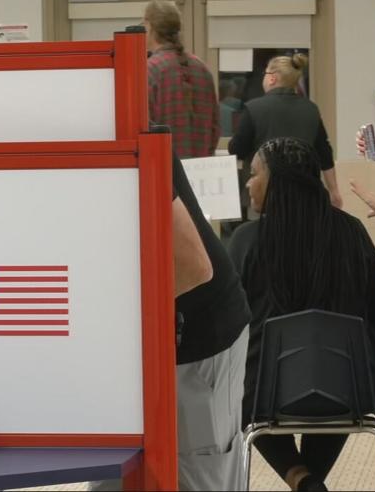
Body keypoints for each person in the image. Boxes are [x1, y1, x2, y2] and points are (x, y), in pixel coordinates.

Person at [92, 141, 251, 491]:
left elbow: (194, 267)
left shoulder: (133, 141)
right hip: (140, 333)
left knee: (198, 471)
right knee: (115, 471)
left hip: (203, 330)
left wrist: (109, 323)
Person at [227, 137, 375, 492]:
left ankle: (302, 478)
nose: (248, 183)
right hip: (351, 391)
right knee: (334, 376)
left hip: (262, 395)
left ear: (278, 181)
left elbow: (229, 322)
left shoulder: (246, 241)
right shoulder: (353, 233)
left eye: (254, 174)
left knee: (231, 390)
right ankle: (309, 480)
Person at [229, 54, 343, 211]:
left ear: (272, 78)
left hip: (265, 194)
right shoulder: (311, 110)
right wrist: (334, 191)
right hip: (305, 195)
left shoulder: (253, 108)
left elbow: (236, 149)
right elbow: (324, 153)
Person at [144, 0, 220, 159]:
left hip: (163, 172)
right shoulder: (202, 69)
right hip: (200, 173)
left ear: (149, 27)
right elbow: (215, 128)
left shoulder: (150, 70)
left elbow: (143, 130)